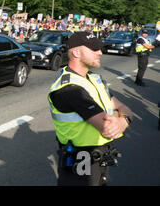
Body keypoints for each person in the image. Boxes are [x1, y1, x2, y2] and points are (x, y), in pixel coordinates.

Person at [48, 32, 133, 186]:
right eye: (93, 49)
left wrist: (123, 120)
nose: (100, 52)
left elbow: (123, 107)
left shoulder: (95, 79)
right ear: (76, 52)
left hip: (100, 156)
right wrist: (120, 117)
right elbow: (107, 126)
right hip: (81, 159)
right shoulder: (69, 88)